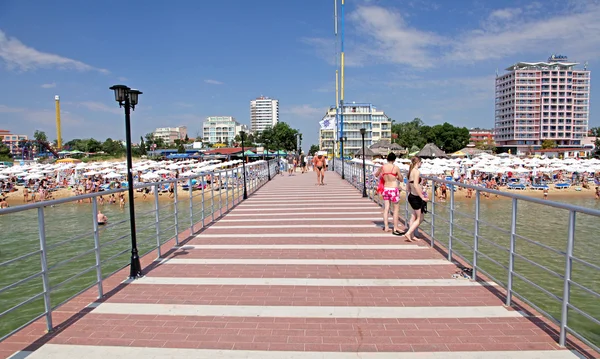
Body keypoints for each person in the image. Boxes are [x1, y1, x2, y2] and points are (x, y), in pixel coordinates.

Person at [374, 152, 405, 234]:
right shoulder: (395, 167)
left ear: (387, 159)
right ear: (394, 160)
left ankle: (386, 226)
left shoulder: (382, 167)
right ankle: (395, 227)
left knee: (386, 208)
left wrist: (381, 172)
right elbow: (401, 179)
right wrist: (397, 176)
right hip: (393, 189)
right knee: (396, 209)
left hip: (386, 189)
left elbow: (376, 175)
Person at [403, 156, 428, 242]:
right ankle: (409, 233)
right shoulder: (416, 172)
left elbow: (408, 187)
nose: (421, 164)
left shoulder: (410, 171)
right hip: (416, 197)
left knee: (413, 216)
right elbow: (416, 185)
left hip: (411, 196)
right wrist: (422, 197)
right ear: (418, 162)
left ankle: (412, 235)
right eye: (421, 162)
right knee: (420, 218)